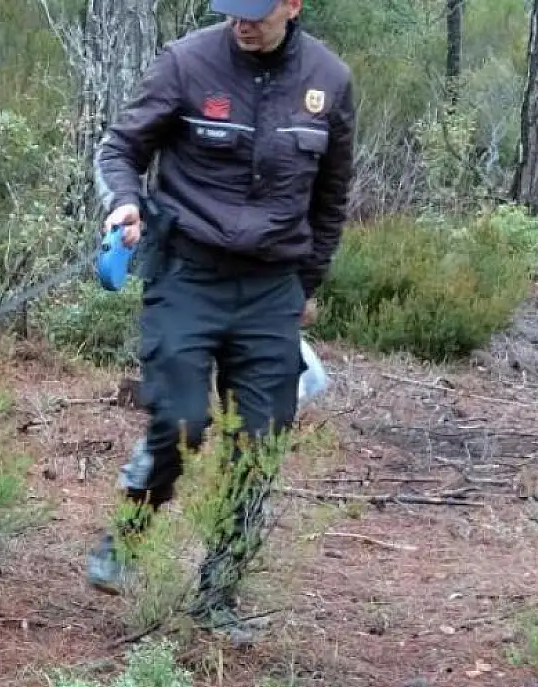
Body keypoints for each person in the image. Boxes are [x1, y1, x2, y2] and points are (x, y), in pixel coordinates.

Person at [84, 0, 356, 640]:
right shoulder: (186, 62)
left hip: (271, 290)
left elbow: (332, 198)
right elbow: (120, 148)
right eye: (232, 9)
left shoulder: (330, 80)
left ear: (292, 5)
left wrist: (304, 285)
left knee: (257, 448)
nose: (242, 21)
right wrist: (125, 205)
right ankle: (127, 536)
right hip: (188, 274)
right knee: (182, 421)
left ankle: (218, 594)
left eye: (256, 11)